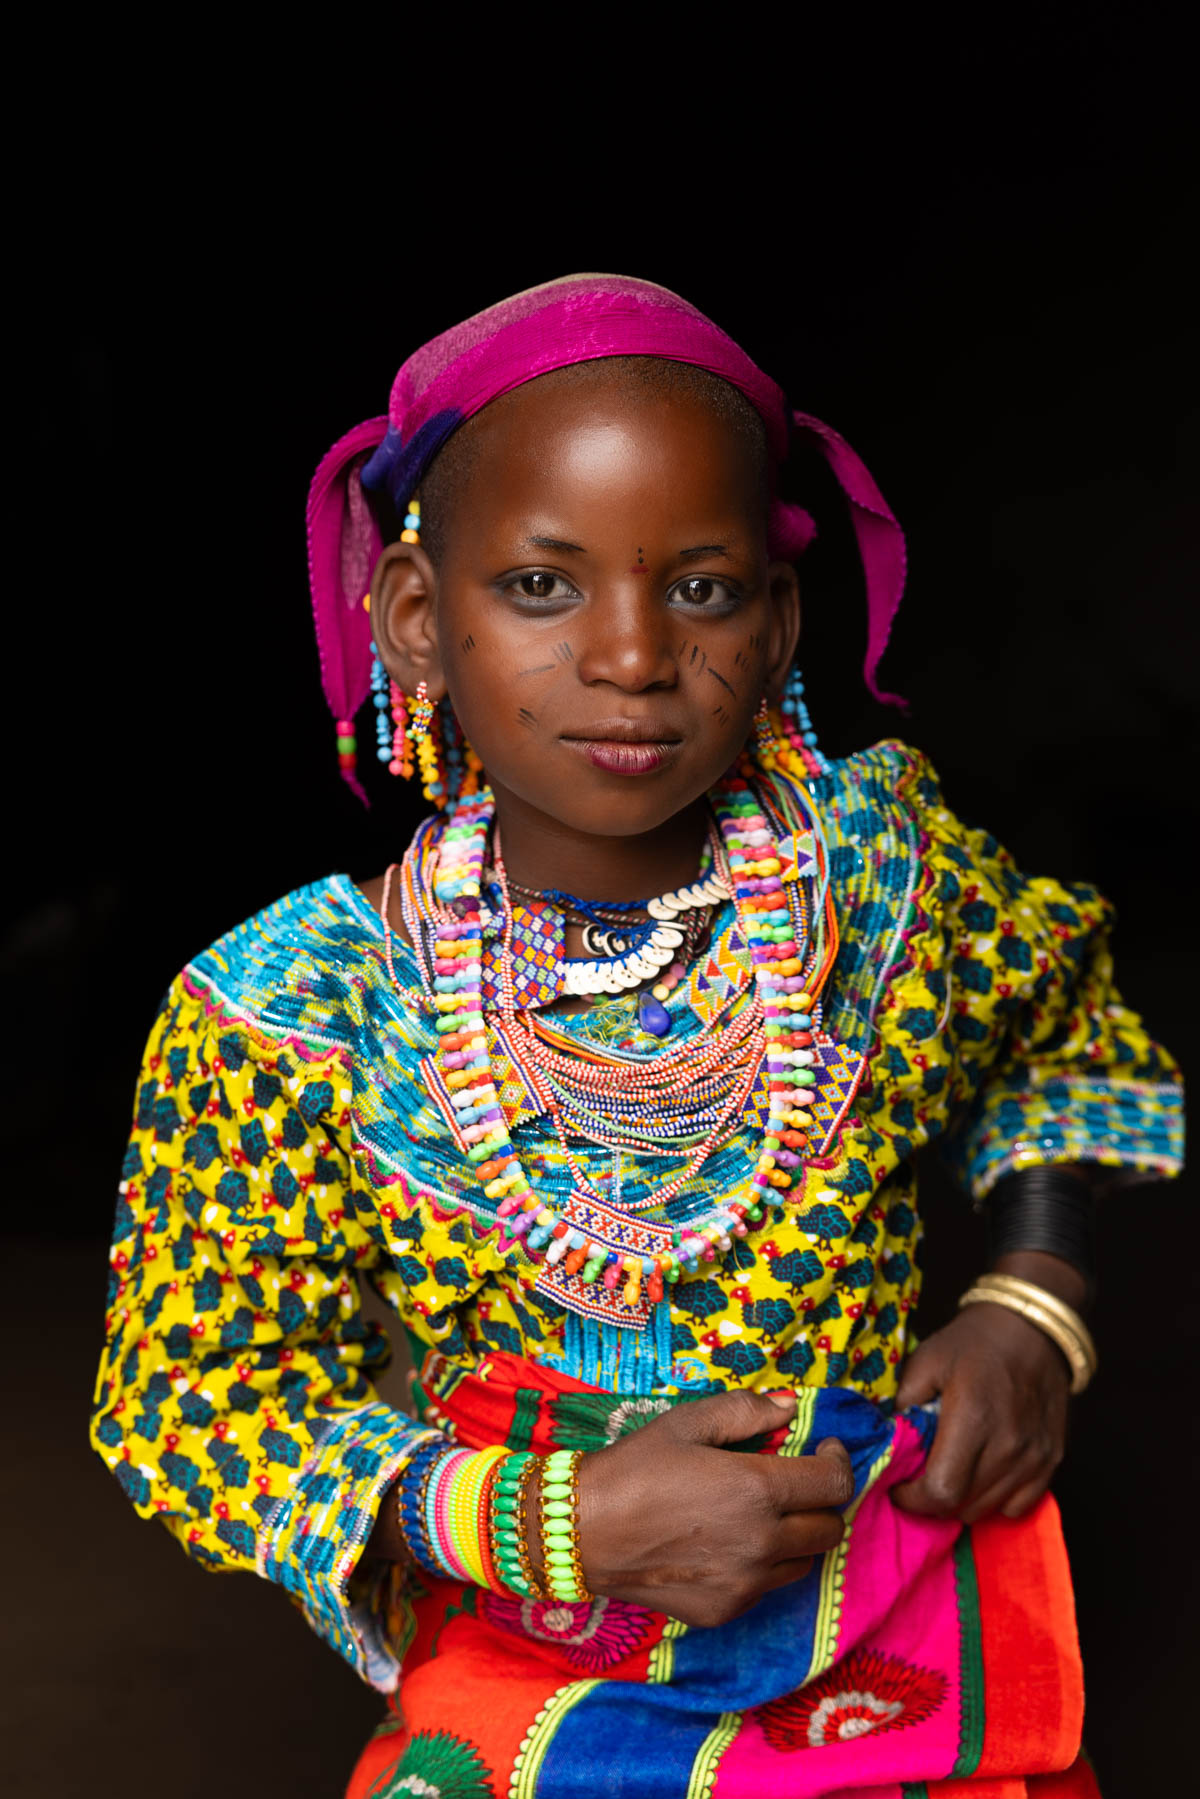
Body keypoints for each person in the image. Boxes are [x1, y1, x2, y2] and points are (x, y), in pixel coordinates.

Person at [91, 275, 1182, 1798]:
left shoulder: (880, 878)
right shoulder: (298, 1009)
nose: (630, 657)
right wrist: (560, 1527)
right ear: (416, 618)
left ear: (783, 614)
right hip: (526, 1673)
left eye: (704, 588)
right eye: (542, 586)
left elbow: (1063, 1031)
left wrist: (1031, 1306)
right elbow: (196, 1396)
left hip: (910, 1635)